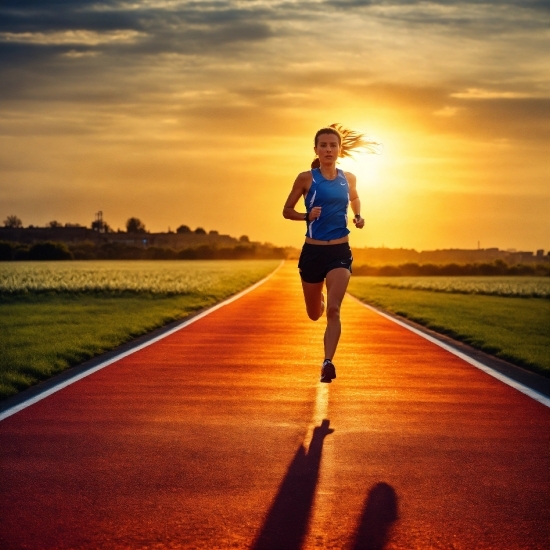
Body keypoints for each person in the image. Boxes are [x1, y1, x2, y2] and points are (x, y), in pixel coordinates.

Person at [282, 124, 377, 383]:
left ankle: (327, 362)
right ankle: (318, 301)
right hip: (312, 252)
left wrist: (357, 216)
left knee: (334, 310)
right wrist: (306, 215)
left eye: (332, 145)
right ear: (316, 149)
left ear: (339, 149)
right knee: (316, 313)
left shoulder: (349, 178)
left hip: (339, 251)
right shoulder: (306, 178)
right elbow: (286, 210)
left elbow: (355, 197)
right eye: (323, 145)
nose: (328, 149)